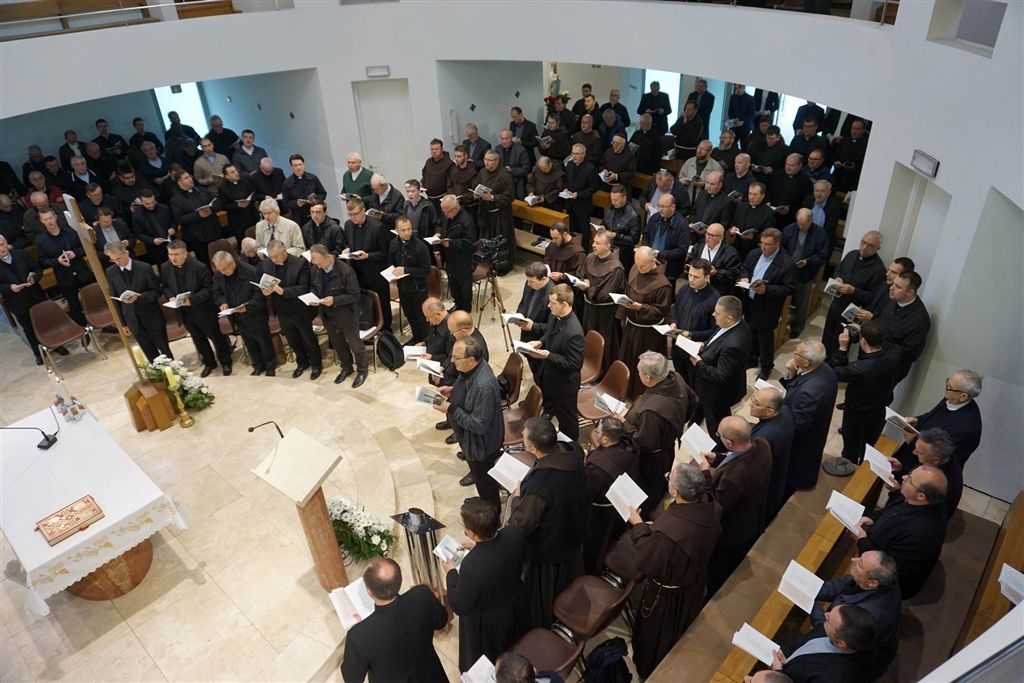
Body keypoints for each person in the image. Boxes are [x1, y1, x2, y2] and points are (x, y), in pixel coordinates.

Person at [620, 463, 721, 679]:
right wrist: (656, 529)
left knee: (658, 633)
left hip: (667, 594)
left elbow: (648, 560)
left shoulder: (669, 535)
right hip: (693, 582)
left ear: (674, 492)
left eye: (669, 479)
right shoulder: (710, 506)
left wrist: (638, 525)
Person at [508, 416, 587, 629]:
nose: (522, 436)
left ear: (532, 448)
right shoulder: (573, 451)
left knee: (545, 597)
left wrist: (516, 498)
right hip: (573, 531)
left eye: (524, 437)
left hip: (550, 550)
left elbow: (521, 525)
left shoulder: (540, 486)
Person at [445, 498, 528, 673]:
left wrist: (451, 572)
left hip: (491, 622)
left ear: (472, 533)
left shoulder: (472, 565)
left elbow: (460, 605)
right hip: (516, 602)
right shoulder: (514, 533)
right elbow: (499, 554)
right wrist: (478, 547)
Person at [340, 558, 448, 683]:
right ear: (399, 580)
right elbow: (441, 621)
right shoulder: (422, 594)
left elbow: (352, 678)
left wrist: (361, 629)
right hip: (431, 674)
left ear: (369, 592)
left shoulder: (358, 636)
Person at [700, 416, 773, 596]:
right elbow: (734, 458)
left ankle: (713, 591)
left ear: (729, 442)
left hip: (732, 530)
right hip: (753, 514)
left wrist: (705, 473)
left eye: (719, 435)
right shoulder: (762, 444)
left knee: (720, 567)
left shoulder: (735, 476)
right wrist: (717, 458)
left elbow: (717, 503)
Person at [856, 465, 949, 599]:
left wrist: (861, 540)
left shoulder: (920, 534)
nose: (904, 477)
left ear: (921, 496)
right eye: (909, 473)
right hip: (881, 543)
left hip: (889, 583)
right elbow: (891, 512)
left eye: (910, 479)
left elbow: (887, 570)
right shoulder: (915, 499)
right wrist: (873, 519)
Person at [823, 321, 898, 475]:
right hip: (879, 409)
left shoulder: (860, 369)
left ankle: (847, 472)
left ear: (862, 340)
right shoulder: (893, 357)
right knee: (869, 445)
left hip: (857, 412)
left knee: (851, 447)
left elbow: (834, 372)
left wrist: (843, 348)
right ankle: (864, 472)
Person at [435, 337, 505, 503]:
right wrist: (453, 390)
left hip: (481, 446)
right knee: (482, 481)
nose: (452, 361)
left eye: (456, 358)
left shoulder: (483, 386)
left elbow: (479, 425)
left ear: (471, 360)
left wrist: (451, 409)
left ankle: (490, 511)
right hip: (470, 440)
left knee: (485, 482)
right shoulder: (472, 369)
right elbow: (467, 389)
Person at [812, 551, 901, 677]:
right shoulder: (876, 581)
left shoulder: (862, 616)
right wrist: (812, 589)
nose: (853, 560)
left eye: (860, 564)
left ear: (873, 583)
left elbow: (829, 631)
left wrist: (810, 602)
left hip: (857, 660)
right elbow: (842, 585)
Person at [625, 351, 697, 508]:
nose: (638, 374)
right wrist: (677, 422)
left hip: (653, 458)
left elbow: (644, 442)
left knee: (649, 487)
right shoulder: (676, 378)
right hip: (668, 444)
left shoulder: (652, 411)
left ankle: (647, 509)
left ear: (648, 378)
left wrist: (625, 424)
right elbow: (693, 401)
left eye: (639, 372)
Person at [160, 240, 233, 376]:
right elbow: (165, 287)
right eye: (170, 254)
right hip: (184, 312)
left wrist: (192, 300)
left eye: (176, 254)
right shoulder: (165, 267)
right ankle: (209, 363)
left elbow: (208, 289)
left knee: (216, 337)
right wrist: (171, 297)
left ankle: (225, 362)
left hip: (203, 310)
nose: (173, 258)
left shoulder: (199, 267)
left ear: (185, 254)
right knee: (198, 338)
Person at [522, 284, 585, 440]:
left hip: (565, 384)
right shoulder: (555, 316)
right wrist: (540, 342)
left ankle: (570, 447)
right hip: (552, 376)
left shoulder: (574, 332)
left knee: (567, 421)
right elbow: (550, 333)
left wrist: (548, 356)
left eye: (552, 302)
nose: (548, 305)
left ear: (564, 304)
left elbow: (575, 364)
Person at [891, 368, 983, 470]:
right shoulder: (952, 398)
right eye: (947, 382)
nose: (945, 387)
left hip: (923, 468)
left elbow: (943, 459)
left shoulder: (966, 429)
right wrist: (917, 420)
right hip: (908, 454)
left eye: (949, 387)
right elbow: (932, 415)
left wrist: (913, 442)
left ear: (963, 396)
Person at [688, 295, 751, 437]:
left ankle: (718, 446)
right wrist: (704, 344)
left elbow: (721, 376)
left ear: (729, 318)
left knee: (716, 425)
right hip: (706, 386)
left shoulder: (734, 345)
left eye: (717, 313)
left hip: (717, 394)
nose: (713, 315)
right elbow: (717, 338)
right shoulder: (734, 323)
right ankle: (699, 414)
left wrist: (699, 363)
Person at [780, 341, 839, 492]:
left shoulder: (808, 391)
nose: (793, 355)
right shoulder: (824, 369)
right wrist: (792, 373)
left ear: (806, 362)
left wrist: (776, 414)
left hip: (804, 440)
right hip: (817, 429)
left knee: (795, 467)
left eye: (796, 354)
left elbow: (798, 424)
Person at [307, 244, 367, 387]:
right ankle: (347, 367)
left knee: (355, 345)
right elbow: (314, 286)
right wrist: (313, 297)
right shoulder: (316, 269)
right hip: (327, 314)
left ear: (328, 256)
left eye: (320, 263)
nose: (318, 267)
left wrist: (334, 300)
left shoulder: (346, 271)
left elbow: (355, 295)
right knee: (338, 344)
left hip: (346, 314)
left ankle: (362, 370)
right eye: (316, 264)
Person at [739, 228, 796, 380]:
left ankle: (766, 366)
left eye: (768, 244)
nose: (763, 247)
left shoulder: (786, 263)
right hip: (750, 299)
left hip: (768, 306)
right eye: (762, 243)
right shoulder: (755, 254)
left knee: (765, 337)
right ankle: (752, 358)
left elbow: (789, 288)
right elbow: (745, 268)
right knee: (750, 330)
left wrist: (767, 289)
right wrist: (745, 277)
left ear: (777, 244)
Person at [616, 247, 673, 399]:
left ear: (653, 261)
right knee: (628, 359)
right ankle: (625, 390)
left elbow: (662, 310)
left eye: (642, 266)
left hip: (649, 333)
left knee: (646, 366)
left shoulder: (663, 285)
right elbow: (628, 290)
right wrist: (622, 313)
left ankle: (641, 394)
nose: (638, 269)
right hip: (632, 327)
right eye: (637, 265)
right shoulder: (636, 269)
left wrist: (641, 307)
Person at [261, 240, 322, 380]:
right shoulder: (267, 263)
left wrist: (282, 291)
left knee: (308, 339)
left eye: (276, 256)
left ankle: (316, 364)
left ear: (285, 252)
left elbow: (303, 288)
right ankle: (302, 363)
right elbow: (264, 282)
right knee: (292, 339)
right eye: (271, 257)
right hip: (281, 309)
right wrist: (266, 291)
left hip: (299, 309)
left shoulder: (300, 263)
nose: (273, 260)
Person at [583, 417, 638, 573]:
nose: (595, 433)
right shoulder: (628, 447)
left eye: (597, 432)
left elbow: (587, 493)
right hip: (617, 502)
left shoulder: (597, 469)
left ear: (606, 439)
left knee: (595, 544)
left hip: (599, 512)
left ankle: (590, 570)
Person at [857, 271, 931, 385]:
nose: (891, 288)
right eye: (893, 284)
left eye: (898, 287)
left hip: (887, 370)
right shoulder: (894, 300)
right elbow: (882, 322)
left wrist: (879, 342)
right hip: (870, 358)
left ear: (910, 292)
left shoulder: (918, 320)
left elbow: (909, 354)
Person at [772, 604, 878, 683]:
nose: (825, 614)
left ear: (841, 644)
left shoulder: (832, 677)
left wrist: (777, 673)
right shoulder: (843, 634)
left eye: (828, 620)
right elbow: (816, 631)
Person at [820, 230, 886, 357]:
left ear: (878, 248)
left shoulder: (878, 270)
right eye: (863, 242)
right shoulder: (851, 254)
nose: (864, 247)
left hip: (852, 313)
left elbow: (873, 297)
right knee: (827, 337)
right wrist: (838, 278)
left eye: (870, 246)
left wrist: (853, 290)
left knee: (840, 344)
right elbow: (839, 270)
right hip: (836, 304)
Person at [104, 242, 172, 362]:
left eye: (119, 258)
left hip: (151, 316)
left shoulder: (144, 268)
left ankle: (172, 371)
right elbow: (115, 299)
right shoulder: (111, 272)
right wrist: (123, 323)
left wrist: (140, 297)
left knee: (164, 350)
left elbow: (157, 291)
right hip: (132, 319)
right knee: (149, 352)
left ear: (126, 253)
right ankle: (158, 372)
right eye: (112, 260)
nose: (117, 262)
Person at [212, 250, 276, 376]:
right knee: (249, 341)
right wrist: (222, 303)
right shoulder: (219, 274)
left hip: (255, 313)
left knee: (263, 340)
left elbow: (260, 295)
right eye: (220, 270)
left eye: (225, 269)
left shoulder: (250, 271)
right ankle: (257, 365)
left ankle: (270, 366)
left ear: (231, 263)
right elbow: (216, 292)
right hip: (237, 314)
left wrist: (248, 307)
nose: (223, 272)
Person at [34, 207, 93, 326]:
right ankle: (83, 328)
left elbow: (85, 248)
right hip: (64, 276)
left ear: (55, 217)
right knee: (74, 305)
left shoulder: (70, 232)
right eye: (45, 219)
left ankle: (98, 321)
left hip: (81, 271)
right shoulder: (41, 240)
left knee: (92, 298)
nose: (49, 221)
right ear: (41, 221)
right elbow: (43, 261)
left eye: (51, 218)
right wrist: (57, 261)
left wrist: (75, 253)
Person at [341, 196, 392, 332]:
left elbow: (385, 253)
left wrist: (368, 255)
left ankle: (386, 333)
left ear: (363, 210)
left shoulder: (377, 227)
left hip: (376, 273)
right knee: (365, 305)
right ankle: (369, 329)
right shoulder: (348, 225)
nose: (353, 218)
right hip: (358, 272)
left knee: (382, 305)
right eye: (350, 214)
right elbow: (347, 243)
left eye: (355, 214)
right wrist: (347, 249)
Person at [889, 428, 963, 519]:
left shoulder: (942, 482)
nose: (914, 452)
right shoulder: (934, 461)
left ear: (936, 460)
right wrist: (900, 470)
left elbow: (915, 508)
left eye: (919, 453)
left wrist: (896, 492)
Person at [578, 231, 625, 369]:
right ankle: (587, 364)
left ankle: (603, 369)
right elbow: (580, 274)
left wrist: (587, 288)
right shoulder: (590, 258)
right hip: (589, 309)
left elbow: (604, 294)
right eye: (594, 242)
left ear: (608, 245)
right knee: (589, 336)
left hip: (605, 314)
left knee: (604, 341)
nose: (593, 245)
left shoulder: (616, 268)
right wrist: (580, 282)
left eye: (597, 243)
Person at [669, 258, 720, 386]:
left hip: (696, 351)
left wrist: (691, 334)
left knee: (693, 383)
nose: (691, 279)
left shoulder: (714, 299)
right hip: (678, 345)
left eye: (696, 277)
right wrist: (674, 322)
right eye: (690, 275)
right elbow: (676, 308)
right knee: (680, 380)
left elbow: (715, 331)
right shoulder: (684, 289)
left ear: (707, 277)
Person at [781, 208, 830, 338]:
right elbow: (781, 248)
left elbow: (822, 255)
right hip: (787, 269)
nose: (801, 227)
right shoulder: (789, 229)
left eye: (804, 224)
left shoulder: (819, 233)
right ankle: (782, 322)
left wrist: (808, 261)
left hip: (805, 271)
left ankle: (797, 327)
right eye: (799, 223)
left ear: (811, 221)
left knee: (801, 302)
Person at [0, 234, 47, 364]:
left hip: (35, 295)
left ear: (6, 243)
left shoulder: (21, 254)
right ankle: (38, 353)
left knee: (44, 322)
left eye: (2, 244)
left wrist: (34, 278)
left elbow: (37, 269)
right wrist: (9, 287)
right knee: (28, 328)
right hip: (17, 301)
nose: (1, 249)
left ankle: (55, 345)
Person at [749, 387, 794, 522]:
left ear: (770, 412)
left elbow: (753, 468)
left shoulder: (762, 438)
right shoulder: (784, 410)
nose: (751, 404)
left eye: (756, 403)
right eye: (753, 399)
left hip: (768, 485)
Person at [388, 216, 431, 344]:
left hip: (419, 289)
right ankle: (417, 338)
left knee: (422, 318)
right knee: (410, 316)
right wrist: (391, 272)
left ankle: (428, 341)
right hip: (403, 288)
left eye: (409, 229)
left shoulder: (420, 246)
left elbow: (426, 270)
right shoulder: (393, 244)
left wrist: (406, 270)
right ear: (396, 231)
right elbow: (390, 262)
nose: (407, 232)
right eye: (403, 230)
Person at [511, 262, 553, 378]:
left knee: (541, 371)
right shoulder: (530, 283)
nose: (528, 284)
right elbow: (523, 303)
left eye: (532, 281)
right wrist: (519, 315)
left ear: (543, 279)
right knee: (531, 362)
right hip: (527, 334)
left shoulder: (552, 295)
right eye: (528, 281)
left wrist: (533, 326)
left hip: (541, 340)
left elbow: (553, 326)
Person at [436, 194, 476, 313]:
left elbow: (470, 242)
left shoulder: (466, 220)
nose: (444, 214)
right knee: (453, 281)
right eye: (443, 211)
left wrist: (452, 243)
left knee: (463, 284)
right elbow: (440, 225)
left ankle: (465, 308)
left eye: (446, 212)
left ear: (455, 209)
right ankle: (457, 303)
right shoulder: (447, 215)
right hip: (450, 257)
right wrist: (438, 233)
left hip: (463, 258)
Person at [169, 170, 219, 264]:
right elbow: (179, 219)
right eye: (186, 178)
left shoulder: (202, 190)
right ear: (180, 182)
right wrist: (198, 215)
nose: (190, 179)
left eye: (190, 176)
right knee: (205, 261)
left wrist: (211, 209)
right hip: (197, 236)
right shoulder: (176, 199)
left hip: (212, 230)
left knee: (218, 257)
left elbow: (217, 202)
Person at [474, 150, 515, 262]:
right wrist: (476, 194)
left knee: (500, 243)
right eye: (485, 159)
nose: (486, 162)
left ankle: (501, 264)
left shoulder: (505, 176)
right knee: (485, 241)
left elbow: (509, 196)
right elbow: (476, 185)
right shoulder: (482, 172)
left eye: (490, 160)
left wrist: (492, 197)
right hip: (485, 212)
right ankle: (486, 263)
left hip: (500, 215)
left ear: (497, 161)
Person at [643, 193, 689, 286]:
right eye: (659, 206)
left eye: (663, 206)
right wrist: (647, 249)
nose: (660, 209)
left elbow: (682, 250)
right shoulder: (654, 218)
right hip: (650, 263)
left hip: (670, 269)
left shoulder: (682, 224)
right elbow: (646, 235)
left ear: (673, 207)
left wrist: (661, 254)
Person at [563, 144, 600, 251]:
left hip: (583, 205)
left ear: (583, 154)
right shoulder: (569, 164)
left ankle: (584, 251)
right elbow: (567, 180)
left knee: (584, 231)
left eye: (577, 154)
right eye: (573, 153)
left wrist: (579, 194)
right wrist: (566, 189)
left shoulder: (590, 168)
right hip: (570, 204)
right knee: (572, 229)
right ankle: (573, 250)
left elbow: (594, 187)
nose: (574, 156)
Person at [689, 223, 743, 295]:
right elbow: (691, 261)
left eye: (712, 235)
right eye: (707, 233)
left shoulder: (730, 252)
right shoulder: (699, 245)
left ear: (721, 237)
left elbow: (733, 274)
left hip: (717, 291)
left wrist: (716, 273)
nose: (708, 237)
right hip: (697, 287)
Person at [729, 181, 775, 260]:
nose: (751, 197)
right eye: (750, 194)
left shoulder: (769, 213)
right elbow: (734, 223)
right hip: (737, 248)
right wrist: (734, 228)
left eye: (755, 194)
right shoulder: (741, 206)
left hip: (755, 251)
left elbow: (768, 234)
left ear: (762, 196)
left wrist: (753, 237)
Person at [601, 183, 640, 275]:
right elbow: (605, 222)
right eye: (611, 199)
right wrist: (602, 227)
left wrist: (617, 236)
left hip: (623, 255)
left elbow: (634, 240)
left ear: (624, 198)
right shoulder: (611, 208)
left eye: (616, 200)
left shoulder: (633, 216)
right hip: (609, 249)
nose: (613, 202)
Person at [801, 179, 842, 267]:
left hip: (823, 239)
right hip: (805, 236)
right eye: (816, 191)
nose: (818, 194)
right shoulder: (808, 200)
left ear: (829, 192)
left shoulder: (834, 205)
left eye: (822, 191)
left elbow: (830, 228)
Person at [214, 164, 256, 243]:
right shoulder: (222, 188)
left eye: (236, 170)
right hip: (237, 221)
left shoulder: (245, 181)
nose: (236, 173)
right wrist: (237, 205)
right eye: (232, 172)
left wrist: (249, 201)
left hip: (251, 216)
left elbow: (253, 194)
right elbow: (223, 206)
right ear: (227, 176)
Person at [133, 189, 175, 265]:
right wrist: (152, 240)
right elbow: (138, 234)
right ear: (141, 202)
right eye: (147, 204)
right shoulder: (137, 216)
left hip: (172, 243)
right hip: (155, 249)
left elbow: (173, 221)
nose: (151, 205)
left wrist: (173, 228)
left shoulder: (164, 208)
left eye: (153, 202)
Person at [688, 171, 731, 246]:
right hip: (695, 236)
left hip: (712, 239)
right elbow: (693, 212)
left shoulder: (726, 201)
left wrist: (708, 230)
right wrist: (694, 225)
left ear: (720, 185)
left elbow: (724, 223)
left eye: (712, 184)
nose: (708, 186)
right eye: (707, 183)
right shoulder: (702, 194)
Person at [282, 154, 326, 225]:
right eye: (295, 165)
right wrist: (296, 203)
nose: (298, 167)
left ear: (303, 164)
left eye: (300, 164)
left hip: (315, 213)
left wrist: (315, 199)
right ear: (291, 167)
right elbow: (285, 203)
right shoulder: (287, 183)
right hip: (299, 217)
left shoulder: (313, 178)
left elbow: (323, 194)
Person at [679, 141, 724, 206]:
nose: (699, 151)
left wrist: (703, 185)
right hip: (687, 201)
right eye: (698, 148)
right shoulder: (689, 162)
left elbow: (718, 188)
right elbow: (680, 179)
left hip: (705, 204)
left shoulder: (716, 167)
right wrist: (684, 182)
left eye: (703, 149)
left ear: (709, 152)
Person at [832, 118, 869, 192]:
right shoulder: (843, 141)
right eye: (853, 128)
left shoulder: (866, 145)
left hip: (853, 179)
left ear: (863, 130)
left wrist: (855, 166)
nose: (854, 131)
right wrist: (836, 162)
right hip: (838, 176)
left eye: (858, 129)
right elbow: (835, 155)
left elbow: (865, 162)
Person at [493, 129, 531, 200]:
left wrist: (511, 170)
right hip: (501, 180)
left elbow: (526, 169)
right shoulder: (498, 148)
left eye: (506, 138)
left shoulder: (521, 150)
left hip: (516, 181)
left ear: (511, 138)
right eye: (502, 139)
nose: (504, 141)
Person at [421, 297, 453, 364]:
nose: (427, 320)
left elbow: (450, 357)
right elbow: (432, 337)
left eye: (428, 317)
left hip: (439, 365)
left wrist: (432, 357)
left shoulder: (451, 330)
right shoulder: (436, 321)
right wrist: (424, 343)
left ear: (438, 314)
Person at [727, 84, 756, 148]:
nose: (737, 90)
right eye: (736, 88)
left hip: (745, 127)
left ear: (743, 88)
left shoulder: (750, 98)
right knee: (730, 146)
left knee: (744, 147)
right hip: (734, 126)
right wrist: (733, 120)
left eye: (739, 88)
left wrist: (743, 122)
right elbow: (730, 112)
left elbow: (752, 114)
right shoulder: (733, 97)